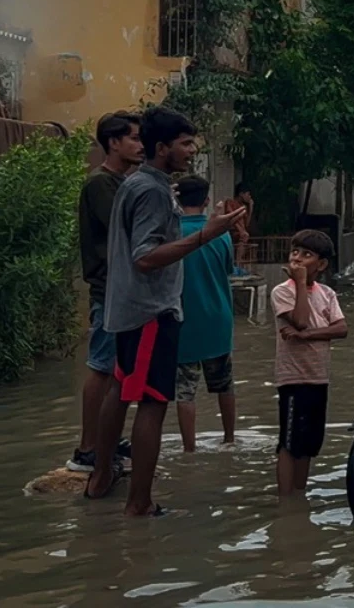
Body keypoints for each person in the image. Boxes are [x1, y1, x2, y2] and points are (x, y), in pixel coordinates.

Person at [85, 106, 245, 516]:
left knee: (120, 391)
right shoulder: (153, 191)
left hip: (127, 309)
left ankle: (101, 478)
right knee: (153, 402)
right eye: (185, 144)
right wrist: (207, 234)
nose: (192, 152)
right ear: (162, 148)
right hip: (151, 312)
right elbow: (145, 256)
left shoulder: (133, 182)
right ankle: (139, 503)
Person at [70, 111, 141, 474]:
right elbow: (126, 230)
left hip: (121, 289)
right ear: (114, 143)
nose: (140, 145)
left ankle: (106, 440)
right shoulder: (101, 184)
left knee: (116, 369)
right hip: (107, 288)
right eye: (134, 138)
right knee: (101, 366)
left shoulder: (121, 182)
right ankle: (88, 448)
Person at [273, 230, 347, 497]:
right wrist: (301, 284)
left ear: (322, 264)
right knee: (289, 442)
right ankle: (285, 500)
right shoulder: (281, 292)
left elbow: (341, 329)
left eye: (307, 255)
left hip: (318, 376)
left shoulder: (327, 294)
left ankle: (299, 495)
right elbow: (301, 319)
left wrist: (308, 336)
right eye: (295, 252)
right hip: (292, 377)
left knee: (309, 443)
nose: (298, 259)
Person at [173, 175, 238, 452]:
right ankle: (230, 439)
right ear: (207, 200)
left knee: (185, 391)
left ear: (176, 199)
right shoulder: (221, 234)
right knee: (224, 384)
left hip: (183, 321)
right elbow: (227, 271)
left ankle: (189, 449)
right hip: (217, 320)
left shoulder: (170, 234)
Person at [221, 183, 254, 271]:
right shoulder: (230, 202)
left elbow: (246, 224)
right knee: (243, 237)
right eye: (248, 194)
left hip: (240, 232)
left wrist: (250, 208)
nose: (249, 197)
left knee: (244, 237)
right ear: (241, 194)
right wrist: (240, 230)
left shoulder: (243, 207)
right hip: (232, 230)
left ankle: (238, 263)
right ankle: (237, 263)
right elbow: (231, 216)